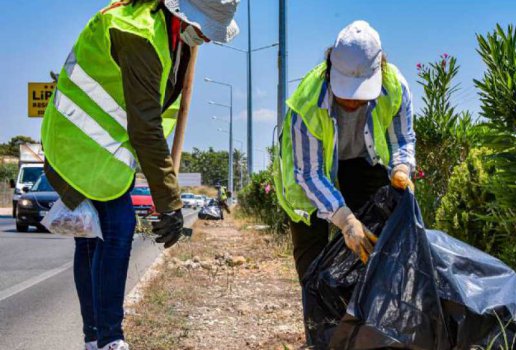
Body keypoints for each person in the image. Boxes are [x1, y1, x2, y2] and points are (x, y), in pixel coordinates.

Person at [40, 1, 239, 349]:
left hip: (103, 148)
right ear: (182, 14)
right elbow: (146, 129)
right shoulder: (139, 36)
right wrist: (170, 204)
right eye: (206, 28)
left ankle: (95, 339)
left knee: (92, 235)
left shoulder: (171, 35)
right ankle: (110, 339)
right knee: (117, 229)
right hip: (82, 142)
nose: (207, 38)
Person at [274, 20, 416, 282]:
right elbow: (311, 175)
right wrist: (347, 221)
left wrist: (401, 168)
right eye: (346, 92)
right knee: (313, 270)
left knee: (374, 252)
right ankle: (322, 321)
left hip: (361, 162)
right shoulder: (306, 106)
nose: (352, 100)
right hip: (308, 177)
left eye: (360, 93)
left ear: (378, 72)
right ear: (330, 73)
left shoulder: (394, 87)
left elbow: (402, 139)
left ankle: (363, 320)